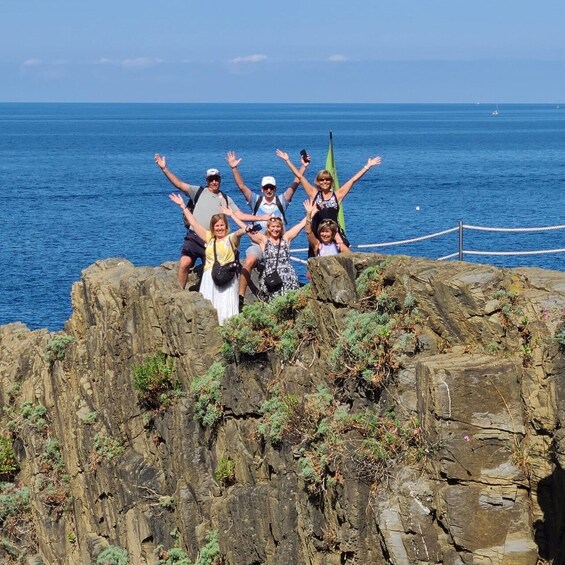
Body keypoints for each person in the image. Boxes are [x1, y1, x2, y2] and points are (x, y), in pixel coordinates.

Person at [154, 154, 267, 289]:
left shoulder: (225, 198)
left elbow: (239, 215)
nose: (214, 182)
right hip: (194, 236)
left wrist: (261, 218)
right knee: (184, 263)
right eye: (211, 179)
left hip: (213, 240)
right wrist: (164, 168)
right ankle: (178, 294)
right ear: (207, 181)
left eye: (216, 179)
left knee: (213, 271)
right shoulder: (198, 192)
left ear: (220, 180)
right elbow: (178, 184)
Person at [225, 150, 310, 308]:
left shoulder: (281, 201)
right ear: (262, 189)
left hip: (277, 245)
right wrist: (234, 168)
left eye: (271, 188)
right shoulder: (256, 201)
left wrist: (303, 166)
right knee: (249, 261)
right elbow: (242, 186)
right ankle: (241, 298)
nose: (269, 190)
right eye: (266, 188)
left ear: (275, 188)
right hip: (259, 243)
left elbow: (296, 183)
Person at [275, 149, 382, 253]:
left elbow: (352, 180)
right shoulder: (314, 194)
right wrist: (287, 160)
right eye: (321, 180)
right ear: (318, 182)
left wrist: (367, 166)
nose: (325, 182)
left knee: (344, 252)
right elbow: (299, 177)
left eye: (327, 179)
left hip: (334, 234)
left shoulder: (337, 195)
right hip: (318, 235)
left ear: (331, 182)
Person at [169, 193, 252, 325]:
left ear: (226, 227)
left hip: (227, 279)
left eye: (222, 225)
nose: (219, 228)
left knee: (226, 310)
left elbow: (239, 233)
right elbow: (194, 223)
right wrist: (183, 206)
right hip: (210, 278)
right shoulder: (209, 238)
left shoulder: (230, 239)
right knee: (210, 311)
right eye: (216, 226)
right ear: (213, 228)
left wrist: (245, 227)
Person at [247, 216, 306, 301]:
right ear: (268, 228)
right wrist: (232, 215)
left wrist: (311, 212)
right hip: (272, 280)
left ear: (281, 228)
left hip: (288, 279)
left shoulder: (286, 239)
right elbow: (247, 231)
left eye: (278, 226)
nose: (275, 229)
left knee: (290, 301)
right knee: (273, 302)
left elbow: (301, 225)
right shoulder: (264, 241)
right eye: (273, 226)